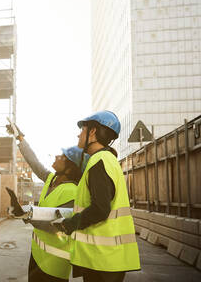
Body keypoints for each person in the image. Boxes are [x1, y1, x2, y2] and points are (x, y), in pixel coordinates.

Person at [55, 111, 141, 282]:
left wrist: (72, 223)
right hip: (106, 260)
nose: (79, 134)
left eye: (83, 129)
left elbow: (101, 209)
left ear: (93, 132)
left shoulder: (99, 162)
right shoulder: (106, 160)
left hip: (103, 261)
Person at [7, 123, 89, 282]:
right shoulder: (52, 179)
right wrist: (20, 137)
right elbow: (34, 162)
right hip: (37, 256)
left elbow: (55, 225)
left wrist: (27, 213)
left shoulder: (72, 192)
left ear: (70, 169)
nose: (57, 157)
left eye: (62, 157)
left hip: (54, 264)